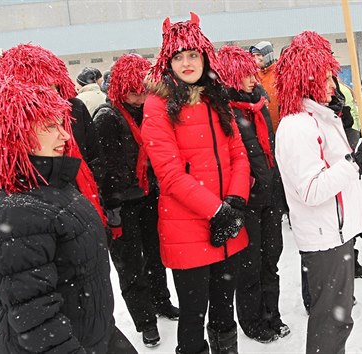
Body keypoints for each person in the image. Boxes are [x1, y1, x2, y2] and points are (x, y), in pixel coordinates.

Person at [0, 78, 135, 353]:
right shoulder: (13, 211)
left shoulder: (44, 180)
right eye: (49, 126)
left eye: (61, 124)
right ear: (14, 135)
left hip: (89, 332)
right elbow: (36, 321)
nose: (65, 135)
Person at [142, 13, 250, 354]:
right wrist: (215, 210)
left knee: (224, 312)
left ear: (204, 56)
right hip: (187, 227)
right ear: (168, 61)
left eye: (193, 55)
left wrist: (234, 201)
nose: (187, 63)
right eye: (178, 56)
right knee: (192, 318)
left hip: (227, 221)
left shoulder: (215, 98)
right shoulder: (158, 105)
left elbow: (239, 156)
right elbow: (170, 174)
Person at [275, 31, 362, 354]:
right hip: (324, 238)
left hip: (338, 231)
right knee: (331, 320)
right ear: (303, 82)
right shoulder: (295, 127)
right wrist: (357, 163)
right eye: (324, 79)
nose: (333, 86)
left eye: (331, 77)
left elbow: (339, 171)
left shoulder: (324, 117)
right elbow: (312, 188)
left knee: (339, 317)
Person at [91, 53, 179, 348]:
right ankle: (145, 321)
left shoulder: (150, 111)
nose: (140, 98)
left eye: (143, 91)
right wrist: (112, 205)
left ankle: (161, 301)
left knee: (156, 256)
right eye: (133, 92)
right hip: (123, 203)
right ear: (119, 89)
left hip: (149, 197)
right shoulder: (107, 118)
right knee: (130, 264)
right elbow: (104, 167)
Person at [216, 45, 289, 343]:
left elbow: (268, 148)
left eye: (252, 73)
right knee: (249, 264)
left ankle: (272, 313)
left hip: (270, 192)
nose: (252, 79)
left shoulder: (260, 101)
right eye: (245, 75)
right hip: (246, 199)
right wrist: (248, 184)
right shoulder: (224, 111)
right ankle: (252, 320)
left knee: (272, 257)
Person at [0, 43, 98, 165]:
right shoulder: (10, 121)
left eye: (55, 86)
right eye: (44, 88)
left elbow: (94, 154)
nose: (52, 94)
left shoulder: (75, 107)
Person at [250, 41, 280, 132]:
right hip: (262, 129)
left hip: (279, 127)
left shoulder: (279, 74)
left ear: (268, 55)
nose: (256, 59)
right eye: (254, 56)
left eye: (259, 55)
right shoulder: (253, 76)